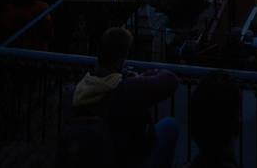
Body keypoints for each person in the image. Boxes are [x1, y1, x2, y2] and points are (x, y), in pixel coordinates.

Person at [68, 26, 179, 168]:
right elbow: (171, 80)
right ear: (121, 60)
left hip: (92, 156)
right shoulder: (129, 88)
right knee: (170, 125)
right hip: (126, 159)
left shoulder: (77, 90)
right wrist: (151, 72)